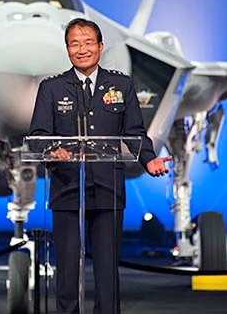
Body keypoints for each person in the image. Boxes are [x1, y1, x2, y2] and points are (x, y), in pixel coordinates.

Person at [28, 18, 171, 314]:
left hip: (108, 191)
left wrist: (148, 159)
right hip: (67, 190)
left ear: (100, 46)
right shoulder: (51, 88)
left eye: (88, 43)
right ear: (67, 49)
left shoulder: (121, 85)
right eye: (75, 44)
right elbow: (38, 137)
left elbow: (134, 133)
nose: (82, 49)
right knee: (67, 272)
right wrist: (52, 151)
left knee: (107, 273)